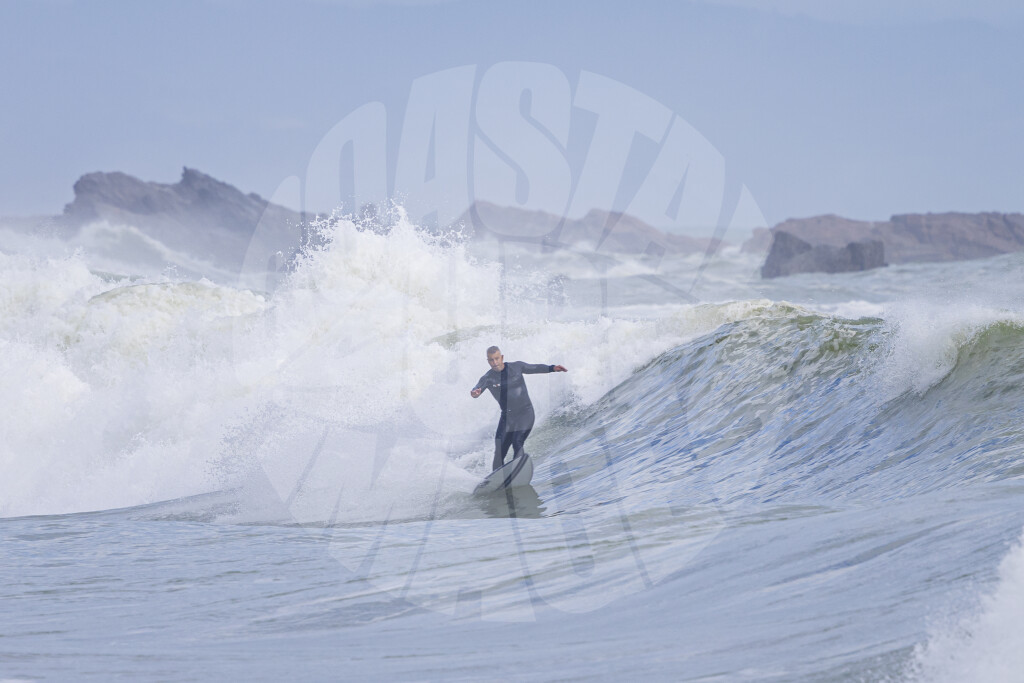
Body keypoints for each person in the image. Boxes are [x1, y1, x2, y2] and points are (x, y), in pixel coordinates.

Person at [470, 346, 567, 471]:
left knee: (517, 442)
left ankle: (518, 471)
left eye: (497, 358)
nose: (495, 362)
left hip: (525, 413)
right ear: (488, 361)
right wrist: (475, 393)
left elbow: (534, 368)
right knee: (499, 451)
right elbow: (476, 389)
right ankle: (497, 479)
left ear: (502, 357)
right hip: (507, 417)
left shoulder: (516, 367)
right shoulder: (487, 378)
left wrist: (552, 368)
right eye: (491, 360)